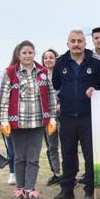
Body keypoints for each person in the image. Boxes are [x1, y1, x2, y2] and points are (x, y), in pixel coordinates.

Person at [0, 41, 58, 199]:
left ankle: (30, 188)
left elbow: (51, 96)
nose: (27, 55)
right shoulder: (10, 73)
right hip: (17, 122)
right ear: (19, 55)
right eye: (24, 53)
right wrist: (3, 120)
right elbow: (4, 98)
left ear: (34, 54)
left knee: (33, 157)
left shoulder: (42, 72)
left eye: (30, 52)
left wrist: (52, 117)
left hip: (38, 121)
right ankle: (20, 189)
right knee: (19, 157)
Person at [52, 29, 100, 199]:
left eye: (79, 41)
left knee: (90, 154)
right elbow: (56, 85)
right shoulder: (60, 63)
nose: (76, 44)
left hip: (88, 116)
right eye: (73, 41)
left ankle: (89, 189)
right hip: (66, 116)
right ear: (67, 43)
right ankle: (67, 188)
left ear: (85, 43)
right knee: (68, 153)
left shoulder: (96, 63)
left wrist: (95, 91)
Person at [0, 44, 22, 186]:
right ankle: (12, 172)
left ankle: (23, 173)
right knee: (11, 145)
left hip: (28, 116)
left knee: (26, 147)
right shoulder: (7, 72)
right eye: (22, 53)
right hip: (9, 116)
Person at [41, 48, 62, 186]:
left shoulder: (62, 74)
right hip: (47, 117)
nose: (48, 60)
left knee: (66, 146)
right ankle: (56, 173)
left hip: (62, 115)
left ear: (56, 59)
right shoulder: (40, 76)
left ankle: (68, 174)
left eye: (51, 57)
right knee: (52, 146)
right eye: (46, 58)